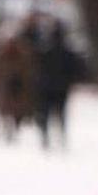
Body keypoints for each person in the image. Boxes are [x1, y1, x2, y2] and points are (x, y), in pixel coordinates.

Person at [35, 21, 80, 150]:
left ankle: (47, 138)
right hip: (60, 88)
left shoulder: (45, 51)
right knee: (59, 114)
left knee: (47, 114)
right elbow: (75, 70)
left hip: (48, 87)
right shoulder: (66, 52)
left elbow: (39, 69)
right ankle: (59, 137)